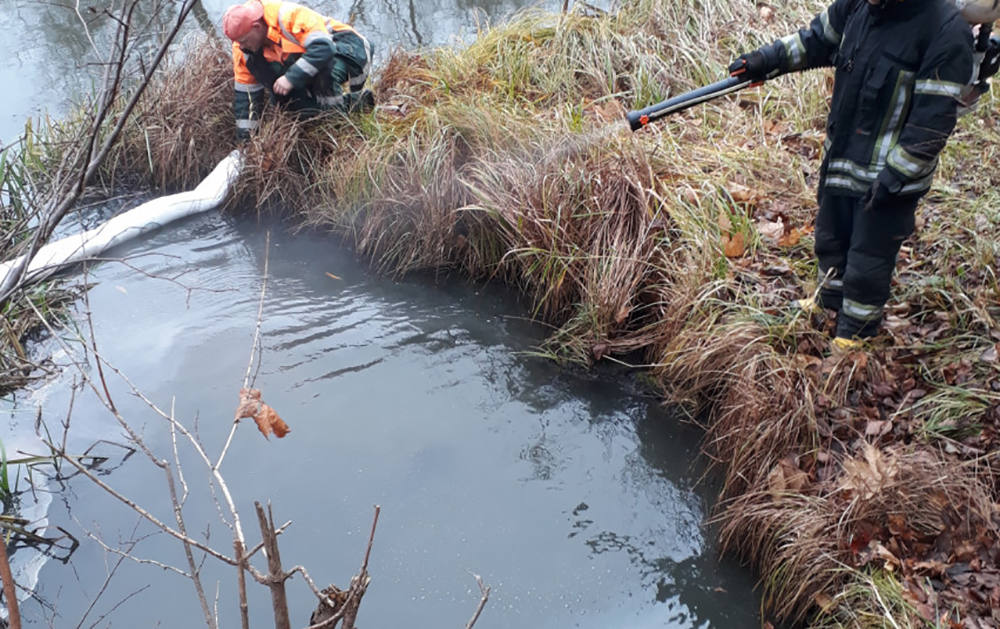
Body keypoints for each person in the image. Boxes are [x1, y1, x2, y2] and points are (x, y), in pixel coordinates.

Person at [728, 0, 977, 350]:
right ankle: (828, 303)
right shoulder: (857, 6)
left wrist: (896, 177)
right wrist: (764, 60)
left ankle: (854, 337)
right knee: (831, 238)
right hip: (843, 154)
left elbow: (930, 124)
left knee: (868, 260)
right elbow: (813, 40)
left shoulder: (945, 29)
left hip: (891, 177)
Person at [222, 0, 375, 142]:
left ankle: (337, 124)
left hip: (346, 45)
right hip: (313, 56)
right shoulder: (242, 49)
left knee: (321, 76)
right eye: (237, 42)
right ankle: (357, 103)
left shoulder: (287, 15)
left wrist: (291, 78)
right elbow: (246, 96)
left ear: (256, 27)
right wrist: (245, 141)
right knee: (285, 102)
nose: (241, 47)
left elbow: (323, 48)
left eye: (244, 41)